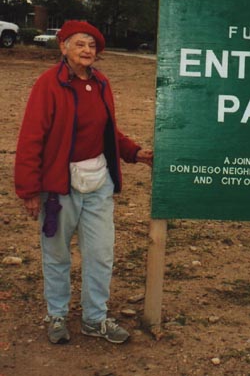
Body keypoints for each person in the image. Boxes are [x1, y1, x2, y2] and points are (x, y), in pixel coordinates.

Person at [14, 20, 153, 345]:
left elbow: (108, 132)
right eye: (79, 44)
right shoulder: (48, 85)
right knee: (57, 254)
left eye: (91, 45)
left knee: (101, 253)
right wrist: (29, 189)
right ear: (63, 47)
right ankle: (57, 314)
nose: (87, 50)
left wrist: (133, 152)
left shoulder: (102, 83)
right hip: (59, 187)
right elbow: (32, 137)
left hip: (98, 182)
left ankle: (94, 318)